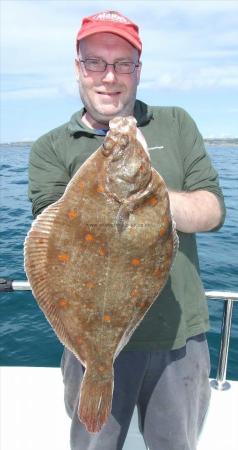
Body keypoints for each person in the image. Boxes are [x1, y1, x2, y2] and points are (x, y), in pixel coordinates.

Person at [28, 10, 226, 450]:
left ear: (139, 69)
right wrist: (123, 188)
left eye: (123, 63)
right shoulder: (49, 148)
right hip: (88, 348)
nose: (109, 76)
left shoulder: (176, 123)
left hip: (179, 338)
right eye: (95, 61)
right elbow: (51, 227)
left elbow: (213, 210)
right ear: (78, 68)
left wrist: (149, 198)